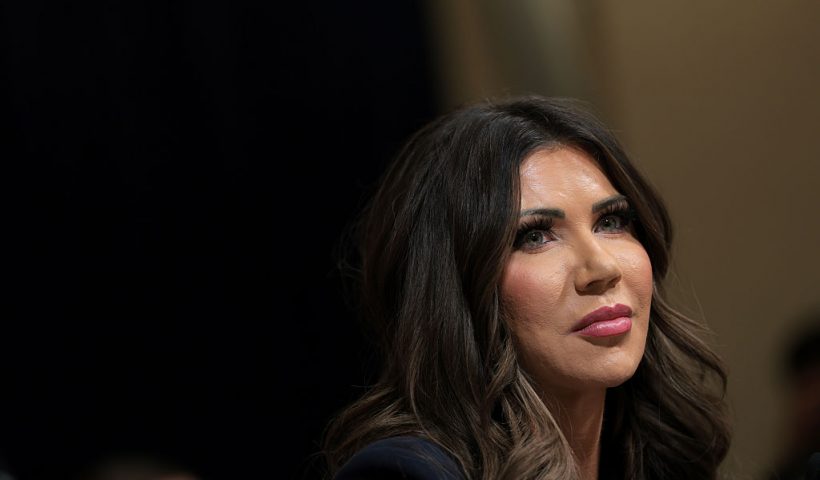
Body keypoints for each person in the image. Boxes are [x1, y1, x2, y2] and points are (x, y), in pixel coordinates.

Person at [319, 95, 732, 479]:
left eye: (611, 222)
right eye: (534, 236)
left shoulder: (661, 462)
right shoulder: (408, 473)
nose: (602, 268)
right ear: (456, 284)